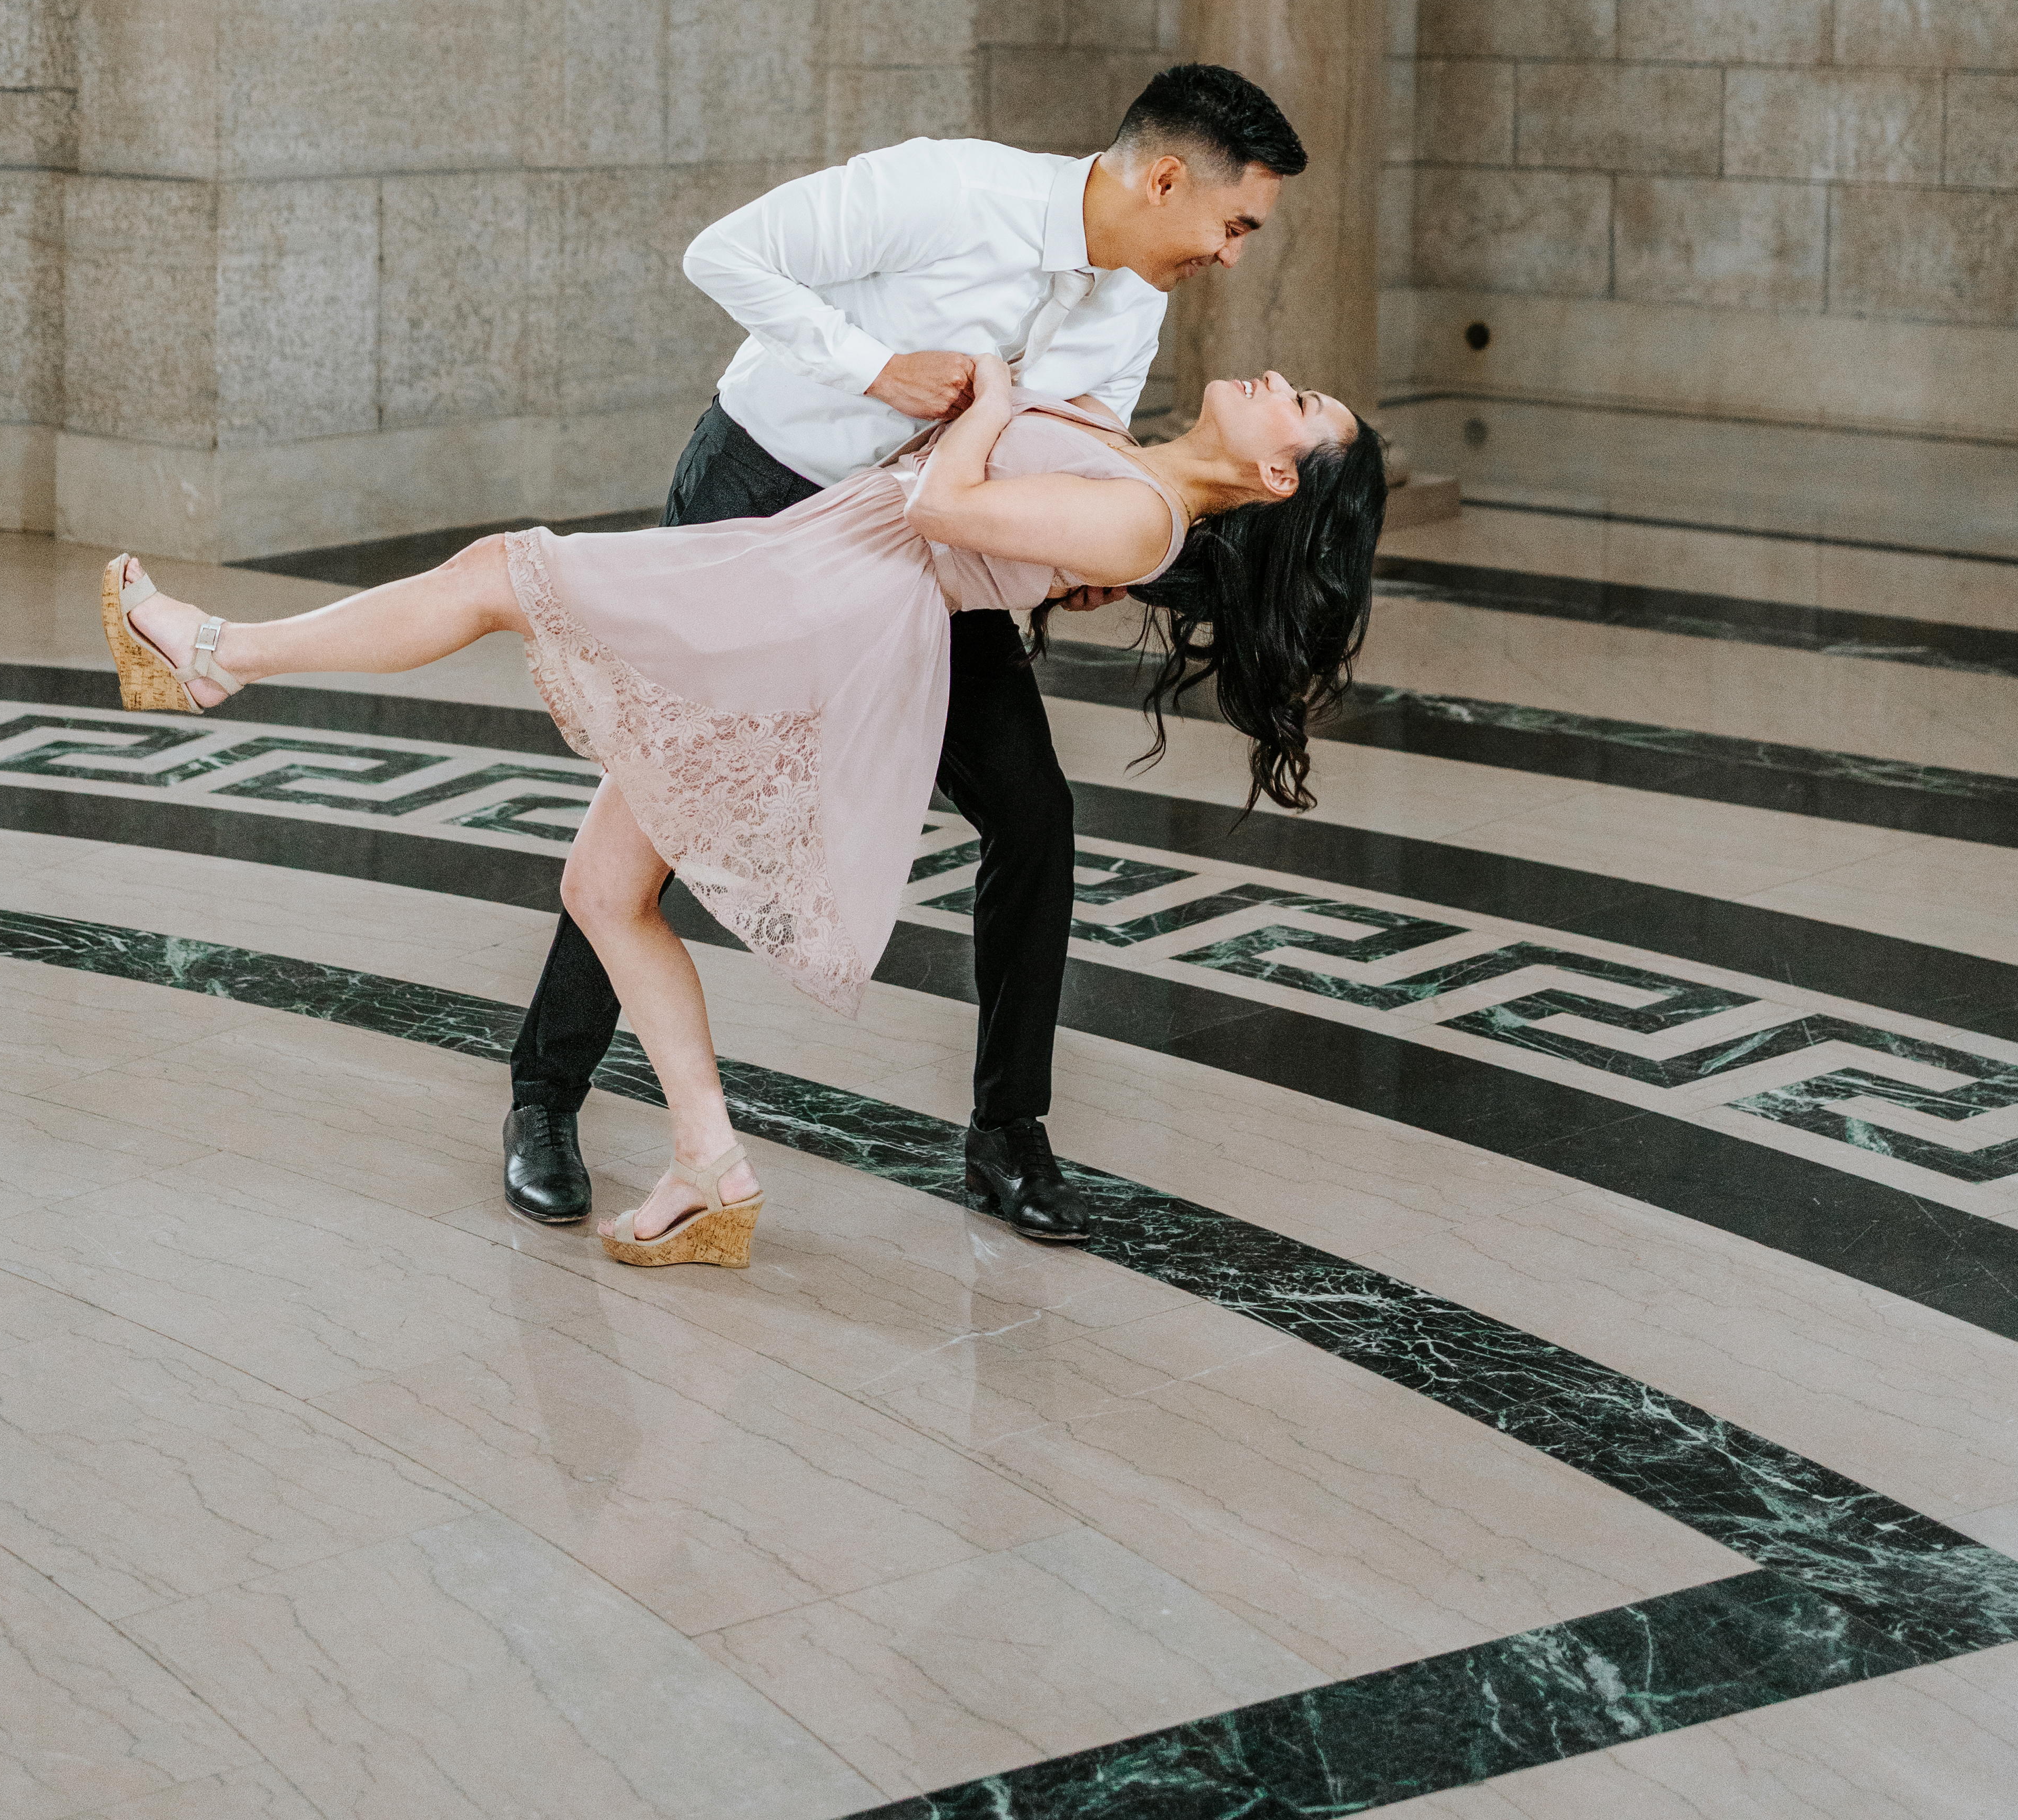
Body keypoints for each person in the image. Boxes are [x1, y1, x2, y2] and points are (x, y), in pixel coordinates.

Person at [104, 350, 1387, 1269]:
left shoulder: (1147, 512)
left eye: (1304, 406)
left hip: (812, 601)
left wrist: (994, 392)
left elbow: (943, 505)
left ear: (1279, 471)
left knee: (504, 572)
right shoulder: (1137, 476)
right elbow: (988, 527)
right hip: (815, 583)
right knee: (605, 890)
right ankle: (708, 1164)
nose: (1283, 380)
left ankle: (219, 653)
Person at [497, 59, 1312, 1245]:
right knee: (665, 805)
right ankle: (543, 1097)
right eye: (1234, 224)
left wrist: (1074, 560)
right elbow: (722, 254)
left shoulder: (1133, 299)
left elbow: (1067, 452)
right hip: (763, 497)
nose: (1232, 254)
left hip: (923, 558)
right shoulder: (946, 190)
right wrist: (869, 366)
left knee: (1033, 812)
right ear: (1170, 177)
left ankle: (1008, 1134)